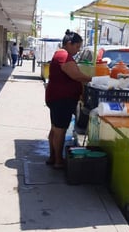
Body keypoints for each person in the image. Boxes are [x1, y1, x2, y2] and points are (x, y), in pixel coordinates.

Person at [45, 30, 92, 169]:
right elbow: (75, 75)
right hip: (61, 99)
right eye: (77, 47)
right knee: (60, 130)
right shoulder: (63, 55)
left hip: (58, 98)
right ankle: (58, 161)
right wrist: (94, 79)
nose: (78, 50)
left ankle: (53, 157)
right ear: (69, 44)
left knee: (55, 128)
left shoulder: (63, 54)